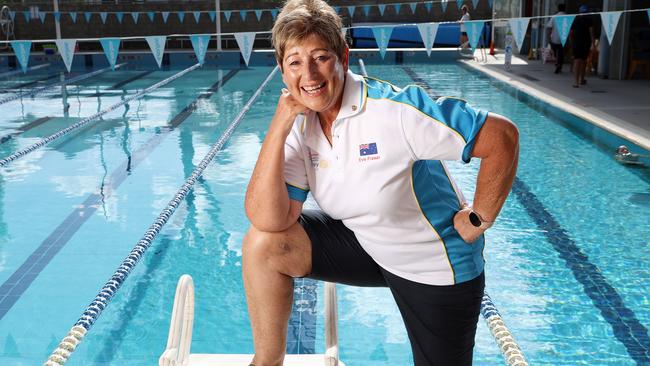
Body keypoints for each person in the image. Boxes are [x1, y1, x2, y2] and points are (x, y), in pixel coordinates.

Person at [243, 1, 520, 365]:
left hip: (432, 265)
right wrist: (279, 125)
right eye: (295, 61)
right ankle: (267, 362)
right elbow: (268, 219)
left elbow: (502, 136)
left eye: (320, 57)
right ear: (282, 70)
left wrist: (479, 219)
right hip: (369, 248)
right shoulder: (301, 124)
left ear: (343, 56)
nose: (308, 74)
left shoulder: (394, 112)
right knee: (264, 244)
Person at [571, 5, 595, 87]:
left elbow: (571, 32)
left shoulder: (575, 19)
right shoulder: (589, 20)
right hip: (585, 43)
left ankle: (576, 82)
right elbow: (591, 33)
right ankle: (581, 79)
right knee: (583, 61)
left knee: (577, 61)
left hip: (577, 43)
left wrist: (571, 42)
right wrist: (593, 44)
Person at [546, 3, 566, 74]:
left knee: (556, 51)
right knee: (561, 52)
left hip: (554, 38)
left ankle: (557, 63)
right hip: (563, 38)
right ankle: (559, 64)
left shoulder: (554, 17)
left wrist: (548, 38)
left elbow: (549, 28)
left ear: (558, 9)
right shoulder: (567, 17)